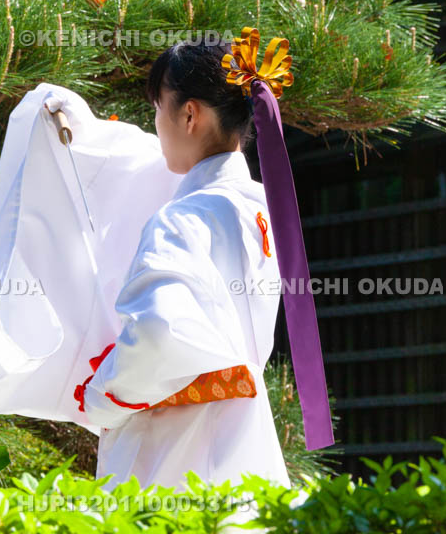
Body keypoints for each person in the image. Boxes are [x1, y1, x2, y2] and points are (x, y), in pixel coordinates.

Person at [75, 37, 293, 493]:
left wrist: (105, 393)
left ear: (189, 114)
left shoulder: (183, 218)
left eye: (158, 108)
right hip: (244, 437)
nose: (155, 126)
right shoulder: (261, 213)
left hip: (178, 449)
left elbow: (157, 331)